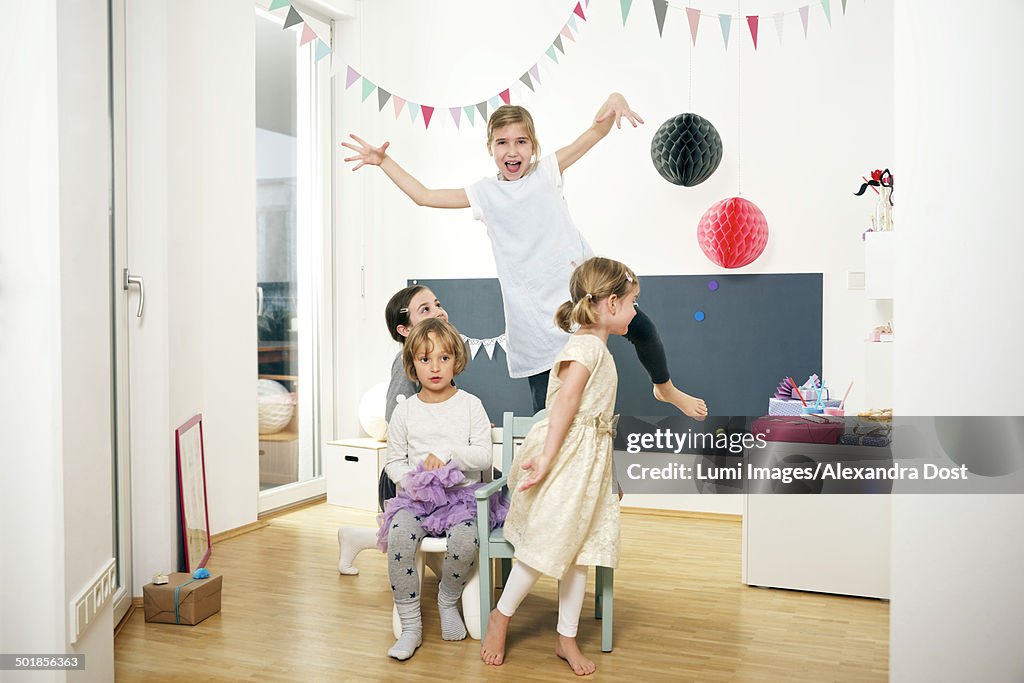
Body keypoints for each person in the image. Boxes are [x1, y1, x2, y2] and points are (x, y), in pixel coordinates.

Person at [342, 94, 708, 420]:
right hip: (532, 314)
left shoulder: (547, 172)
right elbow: (425, 195)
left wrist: (613, 101)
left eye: (521, 142)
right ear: (490, 148)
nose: (512, 151)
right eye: (502, 143)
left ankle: (665, 387)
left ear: (533, 146)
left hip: (582, 292)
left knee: (643, 329)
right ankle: (552, 480)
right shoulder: (485, 194)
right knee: (548, 411)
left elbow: (592, 135)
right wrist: (384, 161)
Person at [479, 257, 635, 676]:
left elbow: (597, 420)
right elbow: (566, 403)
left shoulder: (595, 345)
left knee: (579, 549)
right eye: (633, 303)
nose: (636, 312)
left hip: (590, 459)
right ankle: (502, 614)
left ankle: (566, 636)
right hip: (568, 457)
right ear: (612, 303)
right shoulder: (585, 347)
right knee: (547, 543)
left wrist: (610, 476)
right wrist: (547, 459)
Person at [378, 317, 496, 660]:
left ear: (456, 360)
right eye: (424, 359)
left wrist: (448, 454)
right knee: (399, 538)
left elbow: (483, 456)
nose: (434, 367)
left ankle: (447, 598)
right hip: (416, 501)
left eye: (443, 358)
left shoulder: (470, 405)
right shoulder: (405, 412)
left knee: (466, 539)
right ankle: (411, 625)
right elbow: (394, 461)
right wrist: (409, 481)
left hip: (461, 499)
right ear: (412, 364)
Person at [337, 285, 450, 575]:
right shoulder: (406, 367)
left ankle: (355, 537)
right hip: (410, 475)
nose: (438, 312)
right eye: (425, 310)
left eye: (437, 304)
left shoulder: (441, 363)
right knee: (423, 539)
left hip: (435, 468)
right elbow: (398, 421)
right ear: (404, 329)